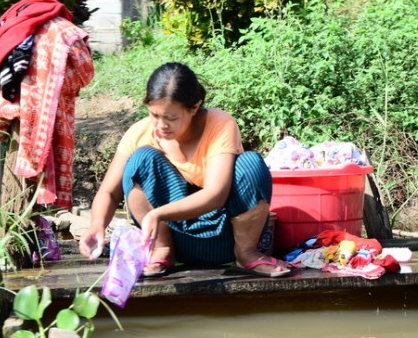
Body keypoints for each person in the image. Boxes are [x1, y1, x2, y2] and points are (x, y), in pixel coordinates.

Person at [79, 62, 290, 278]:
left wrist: (158, 214)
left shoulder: (219, 124)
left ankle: (248, 254)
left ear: (194, 108)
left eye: (171, 118)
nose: (161, 125)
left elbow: (215, 195)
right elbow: (108, 192)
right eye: (154, 115)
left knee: (251, 163)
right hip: (177, 241)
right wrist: (97, 225)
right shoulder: (140, 133)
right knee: (140, 159)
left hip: (223, 239)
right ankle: (162, 251)